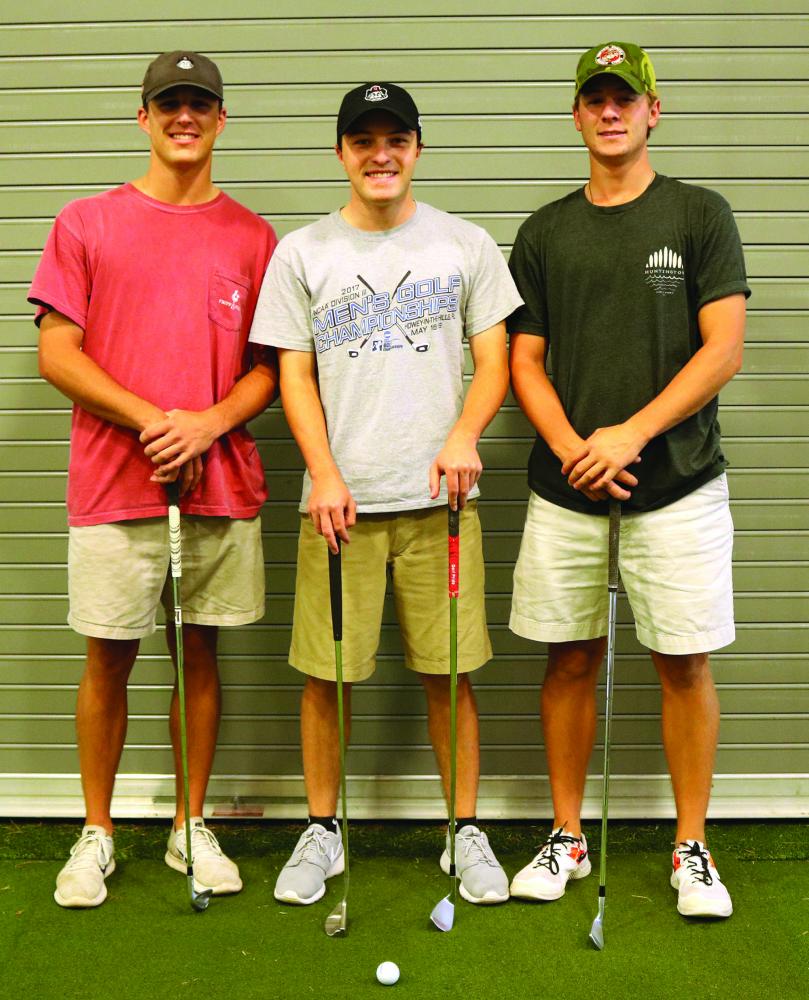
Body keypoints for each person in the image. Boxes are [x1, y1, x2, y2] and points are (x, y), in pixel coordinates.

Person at [249, 82, 523, 907]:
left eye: (394, 138)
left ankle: (461, 830)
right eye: (362, 140)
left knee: (451, 675)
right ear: (340, 153)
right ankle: (323, 831)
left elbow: (497, 356)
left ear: (417, 148)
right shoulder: (303, 253)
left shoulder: (464, 244)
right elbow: (292, 373)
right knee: (325, 677)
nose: (380, 154)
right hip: (340, 511)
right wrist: (324, 470)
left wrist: (464, 435)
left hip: (440, 505)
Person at [29, 51, 279, 908]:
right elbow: (56, 352)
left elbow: (269, 370)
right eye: (168, 104)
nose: (184, 118)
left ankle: (187, 825)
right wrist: (151, 419)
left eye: (199, 105)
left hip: (216, 480)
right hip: (115, 480)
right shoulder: (87, 223)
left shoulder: (252, 238)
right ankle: (96, 830)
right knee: (108, 656)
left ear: (219, 120)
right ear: (143, 118)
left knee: (198, 652)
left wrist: (206, 423)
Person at [507, 42, 749, 919]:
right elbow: (521, 359)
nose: (609, 112)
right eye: (594, 98)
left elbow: (722, 348)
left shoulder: (697, 214)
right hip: (566, 485)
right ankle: (566, 835)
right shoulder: (543, 232)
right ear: (576, 115)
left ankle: (691, 847)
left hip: (677, 483)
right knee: (568, 659)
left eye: (625, 97)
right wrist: (578, 446)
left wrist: (629, 435)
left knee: (682, 664)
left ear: (654, 109)